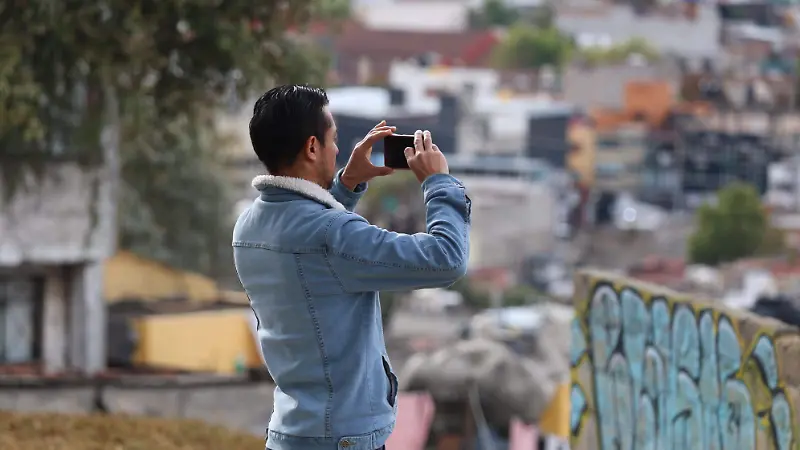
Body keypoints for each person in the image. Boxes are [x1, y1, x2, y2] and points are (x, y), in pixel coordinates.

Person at [233, 85, 471, 450]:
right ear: (312, 147)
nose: (338, 150)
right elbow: (446, 259)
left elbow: (313, 251)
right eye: (334, 139)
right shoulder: (331, 235)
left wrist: (346, 183)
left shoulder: (249, 226)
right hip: (341, 438)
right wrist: (439, 183)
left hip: (293, 431)